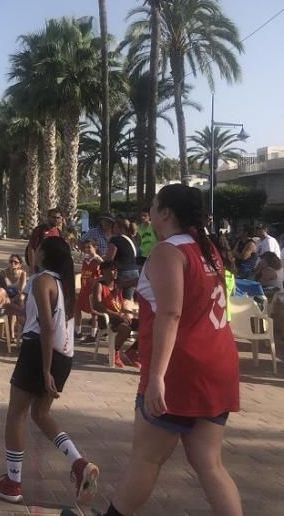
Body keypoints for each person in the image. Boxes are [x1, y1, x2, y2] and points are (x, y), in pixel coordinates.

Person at [104, 184, 243, 516]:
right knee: (209, 462)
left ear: (165, 213)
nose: (148, 211)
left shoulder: (168, 251)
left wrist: (157, 377)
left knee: (147, 458)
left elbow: (171, 313)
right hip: (218, 363)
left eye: (153, 204)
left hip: (182, 369)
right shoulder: (206, 248)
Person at [0, 236, 98, 506]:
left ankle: (12, 482)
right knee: (40, 413)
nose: (32, 252)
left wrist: (45, 370)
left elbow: (46, 327)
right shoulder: (62, 283)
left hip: (39, 353)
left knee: (16, 415)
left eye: (37, 249)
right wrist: (17, 309)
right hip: (64, 356)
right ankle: (79, 463)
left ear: (44, 255)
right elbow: (47, 320)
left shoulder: (40, 280)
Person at [91, 262, 140, 368]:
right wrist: (117, 314)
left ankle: (132, 352)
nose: (116, 271)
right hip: (107, 318)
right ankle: (114, 353)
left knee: (148, 326)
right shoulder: (99, 285)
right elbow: (97, 305)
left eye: (116, 269)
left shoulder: (118, 284)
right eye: (113, 269)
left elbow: (132, 282)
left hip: (120, 317)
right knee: (125, 328)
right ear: (104, 271)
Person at [76, 240, 104, 344]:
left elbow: (104, 273)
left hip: (92, 289)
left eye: (89, 247)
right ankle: (78, 332)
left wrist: (96, 281)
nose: (87, 249)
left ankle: (93, 334)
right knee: (77, 308)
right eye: (85, 247)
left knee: (93, 313)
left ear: (95, 247)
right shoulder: (86, 259)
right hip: (84, 288)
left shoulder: (98, 260)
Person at [106, 218, 141, 300]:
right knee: (128, 300)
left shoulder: (115, 239)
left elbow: (109, 258)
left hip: (123, 273)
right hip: (135, 272)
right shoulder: (132, 240)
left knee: (119, 301)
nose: (112, 230)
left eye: (114, 227)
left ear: (120, 228)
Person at [25, 209, 65, 273]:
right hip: (41, 265)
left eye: (58, 218)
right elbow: (31, 248)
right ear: (48, 217)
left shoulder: (59, 232)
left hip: (54, 266)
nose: (56, 219)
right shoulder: (39, 230)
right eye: (53, 217)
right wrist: (32, 267)